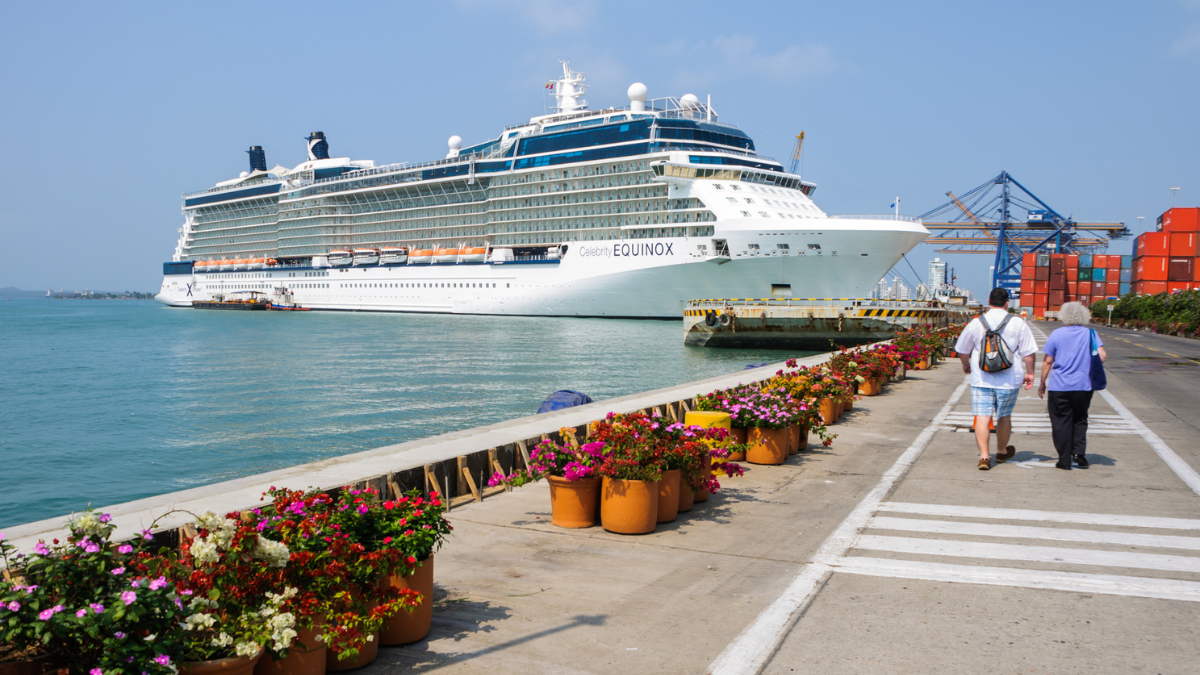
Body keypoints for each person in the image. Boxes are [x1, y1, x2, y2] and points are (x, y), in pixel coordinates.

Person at [954, 288, 1038, 470]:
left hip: (981, 378)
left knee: (982, 417)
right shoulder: (1018, 323)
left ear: (988, 301)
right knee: (1004, 416)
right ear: (1007, 303)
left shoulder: (976, 323)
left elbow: (962, 350)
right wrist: (1030, 373)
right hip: (1009, 379)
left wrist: (965, 364)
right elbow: (1029, 352)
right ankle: (1001, 451)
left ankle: (984, 457)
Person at [1039, 301, 1106, 470]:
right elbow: (1102, 356)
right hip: (1083, 385)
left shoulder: (1057, 334)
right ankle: (1079, 453)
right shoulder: (1091, 333)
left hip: (1059, 386)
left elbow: (1048, 361)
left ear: (1063, 315)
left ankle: (1064, 459)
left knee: (1060, 421)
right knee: (1080, 418)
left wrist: (1042, 382)